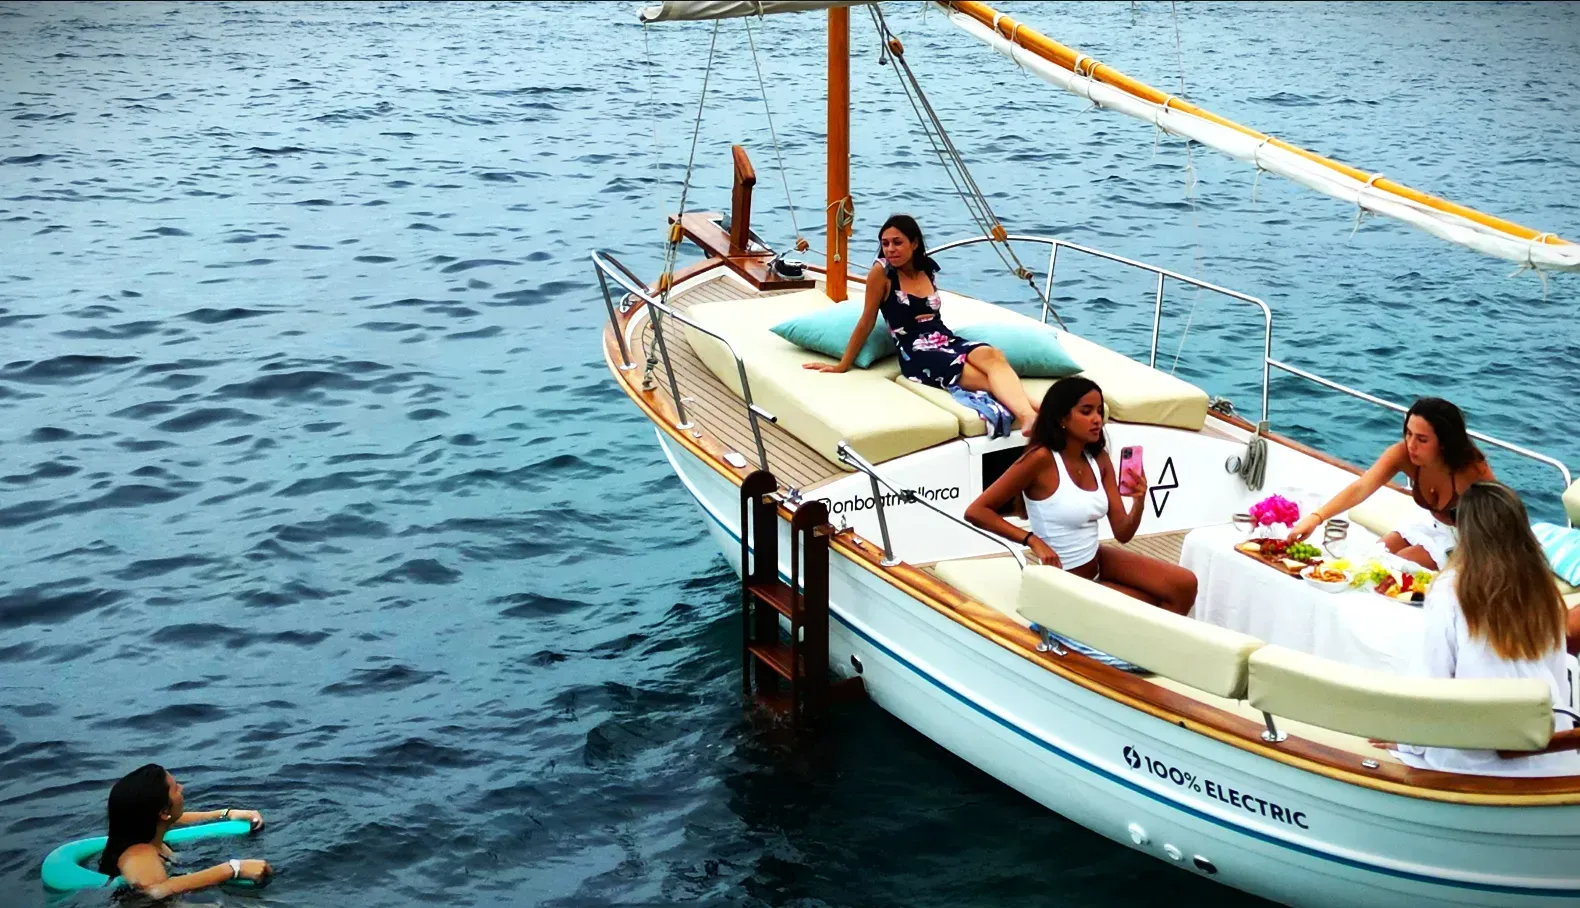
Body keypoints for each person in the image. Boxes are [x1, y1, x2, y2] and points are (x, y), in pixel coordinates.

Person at [1384, 482, 1580, 776]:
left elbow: (1432, 677)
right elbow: (1557, 676)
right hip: (1548, 753)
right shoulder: (1544, 591)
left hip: (1473, 755)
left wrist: (1408, 743)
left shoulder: (1450, 590)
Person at [965, 377, 1198, 615]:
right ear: (1062, 418)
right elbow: (976, 512)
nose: (1097, 419)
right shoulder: (1040, 459)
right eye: (1086, 412)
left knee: (1183, 584)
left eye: (1099, 411)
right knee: (1151, 606)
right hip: (1065, 580)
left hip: (1096, 562)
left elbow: (1123, 533)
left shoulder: (1099, 458)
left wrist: (1139, 501)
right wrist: (1032, 540)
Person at [804, 214, 1041, 435]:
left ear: (914, 243)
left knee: (992, 355)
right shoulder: (882, 274)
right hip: (917, 354)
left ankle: (1032, 413)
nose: (890, 249)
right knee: (982, 376)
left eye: (897, 242)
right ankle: (1034, 413)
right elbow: (867, 321)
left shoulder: (927, 268)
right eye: (885, 243)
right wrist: (843, 364)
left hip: (945, 339)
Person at [1287, 397, 1494, 570]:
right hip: (1430, 525)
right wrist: (1316, 518)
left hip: (1467, 541)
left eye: (1422, 440)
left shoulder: (1468, 470)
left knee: (1401, 563)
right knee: (1376, 557)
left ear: (1444, 443)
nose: (1411, 445)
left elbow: (1499, 521)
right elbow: (1361, 488)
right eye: (1408, 433)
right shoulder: (1403, 454)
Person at [98, 763, 270, 896]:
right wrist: (233, 868)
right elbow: (155, 891)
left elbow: (181, 818)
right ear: (164, 812)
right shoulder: (139, 854)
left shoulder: (149, 830)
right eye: (175, 788)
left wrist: (226, 813)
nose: (182, 788)